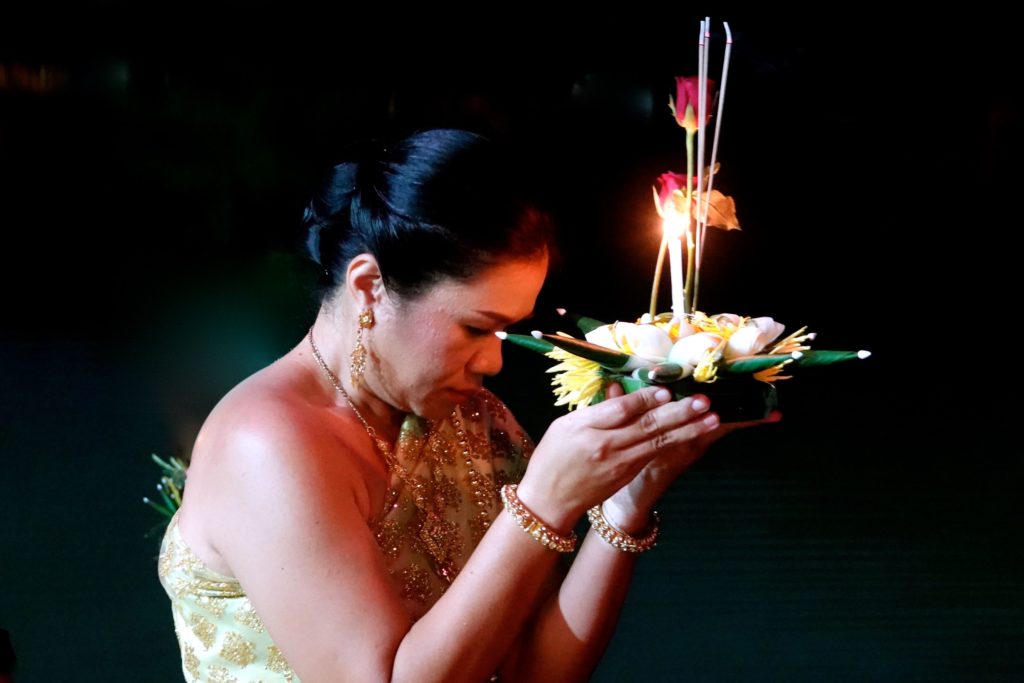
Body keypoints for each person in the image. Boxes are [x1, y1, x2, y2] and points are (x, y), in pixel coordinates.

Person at [158, 128, 774, 682]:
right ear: (369, 285)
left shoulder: (472, 419)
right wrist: (543, 503)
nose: (493, 364)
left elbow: (535, 673)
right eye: (476, 329)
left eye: (506, 333)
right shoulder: (266, 444)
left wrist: (625, 501)